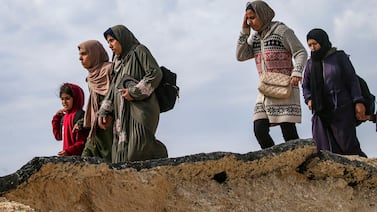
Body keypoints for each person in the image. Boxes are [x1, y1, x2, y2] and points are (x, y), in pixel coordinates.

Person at [236, 1, 307, 149]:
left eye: (253, 17)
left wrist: (297, 72)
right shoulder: (255, 38)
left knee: (288, 132)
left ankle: (301, 164)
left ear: (263, 15)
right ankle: (273, 161)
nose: (250, 22)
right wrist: (244, 30)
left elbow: (300, 52)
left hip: (284, 88)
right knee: (259, 130)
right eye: (248, 18)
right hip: (265, 91)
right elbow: (241, 55)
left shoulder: (281, 31)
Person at [98, 24, 168, 163]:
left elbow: (154, 73)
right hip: (122, 113)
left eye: (112, 40)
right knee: (121, 154)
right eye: (108, 42)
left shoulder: (139, 51)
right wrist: (104, 111)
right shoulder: (118, 62)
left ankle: (160, 158)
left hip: (141, 110)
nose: (110, 45)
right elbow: (113, 89)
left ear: (122, 38)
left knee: (138, 148)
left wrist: (134, 92)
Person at [302, 28, 367, 157]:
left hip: (342, 109)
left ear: (323, 41)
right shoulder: (310, 63)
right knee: (324, 149)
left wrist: (358, 101)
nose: (313, 47)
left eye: (315, 43)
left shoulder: (339, 57)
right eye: (310, 45)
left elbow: (352, 80)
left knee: (348, 147)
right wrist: (309, 99)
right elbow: (305, 85)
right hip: (320, 111)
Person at [78, 40, 113, 163]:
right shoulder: (90, 77)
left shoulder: (110, 69)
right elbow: (93, 103)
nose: (80, 58)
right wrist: (83, 121)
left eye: (84, 54)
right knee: (84, 162)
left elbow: (116, 95)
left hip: (111, 126)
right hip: (96, 128)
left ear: (94, 54)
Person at [52, 83, 88, 156]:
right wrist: (56, 118)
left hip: (79, 158)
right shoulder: (64, 117)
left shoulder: (80, 115)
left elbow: (82, 142)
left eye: (67, 98)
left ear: (76, 99)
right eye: (62, 99)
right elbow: (58, 136)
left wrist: (69, 151)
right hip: (68, 157)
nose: (64, 102)